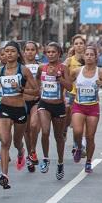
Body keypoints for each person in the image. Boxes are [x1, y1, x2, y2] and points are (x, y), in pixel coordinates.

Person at [0, 41, 38, 189]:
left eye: (12, 51)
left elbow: (36, 91)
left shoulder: (23, 70)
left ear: (18, 54)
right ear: (4, 54)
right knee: (5, 141)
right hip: (4, 108)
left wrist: (21, 89)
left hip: (20, 110)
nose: (9, 54)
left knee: (17, 142)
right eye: (6, 51)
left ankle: (21, 151)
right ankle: (4, 175)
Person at [70, 46, 102, 173]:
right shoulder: (76, 71)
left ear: (96, 57)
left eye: (92, 54)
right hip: (78, 105)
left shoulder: (101, 72)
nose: (89, 56)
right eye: (87, 54)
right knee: (77, 131)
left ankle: (88, 162)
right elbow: (67, 84)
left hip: (92, 107)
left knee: (90, 137)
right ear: (84, 56)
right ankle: (78, 147)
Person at [36, 42, 71, 179]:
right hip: (44, 103)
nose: (50, 54)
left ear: (59, 54)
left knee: (59, 137)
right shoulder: (41, 68)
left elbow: (69, 87)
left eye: (53, 52)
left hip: (58, 106)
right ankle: (45, 158)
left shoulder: (63, 68)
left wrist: (58, 77)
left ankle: (60, 163)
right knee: (45, 131)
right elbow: (37, 83)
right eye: (48, 52)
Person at [65, 35, 87, 156]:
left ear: (84, 45)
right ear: (73, 46)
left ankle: (79, 144)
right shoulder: (69, 60)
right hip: (72, 93)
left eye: (81, 43)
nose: (79, 45)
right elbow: (62, 74)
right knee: (72, 122)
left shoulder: (89, 58)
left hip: (85, 95)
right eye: (76, 43)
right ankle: (65, 130)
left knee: (80, 122)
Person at [22, 41, 41, 172]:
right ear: (24, 52)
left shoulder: (40, 67)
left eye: (32, 49)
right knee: (26, 131)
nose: (30, 52)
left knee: (34, 126)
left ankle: (33, 150)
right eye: (27, 49)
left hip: (36, 101)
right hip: (22, 102)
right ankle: (29, 155)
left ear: (36, 52)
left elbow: (40, 83)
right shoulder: (19, 67)